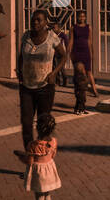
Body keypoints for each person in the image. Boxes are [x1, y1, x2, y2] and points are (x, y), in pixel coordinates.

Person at [15, 9, 69, 158]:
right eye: (33, 19)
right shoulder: (26, 36)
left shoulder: (52, 38)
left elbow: (64, 56)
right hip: (26, 87)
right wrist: (19, 72)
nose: (35, 22)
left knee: (43, 124)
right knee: (26, 124)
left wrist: (54, 73)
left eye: (39, 20)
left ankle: (42, 157)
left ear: (46, 22)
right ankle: (30, 157)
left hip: (45, 88)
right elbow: (21, 55)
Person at [21, 112, 62, 200]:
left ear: (38, 128)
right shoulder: (53, 142)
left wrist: (21, 157)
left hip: (39, 173)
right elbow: (53, 155)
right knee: (47, 194)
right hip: (49, 170)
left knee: (39, 196)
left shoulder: (33, 144)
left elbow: (30, 160)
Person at [70, 8, 97, 113]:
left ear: (85, 17)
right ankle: (79, 106)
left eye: (83, 16)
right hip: (77, 53)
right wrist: (69, 54)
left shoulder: (88, 27)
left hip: (85, 53)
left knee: (86, 77)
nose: (82, 18)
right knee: (79, 80)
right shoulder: (73, 27)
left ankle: (83, 104)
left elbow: (90, 41)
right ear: (77, 17)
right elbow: (71, 40)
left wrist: (92, 53)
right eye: (80, 16)